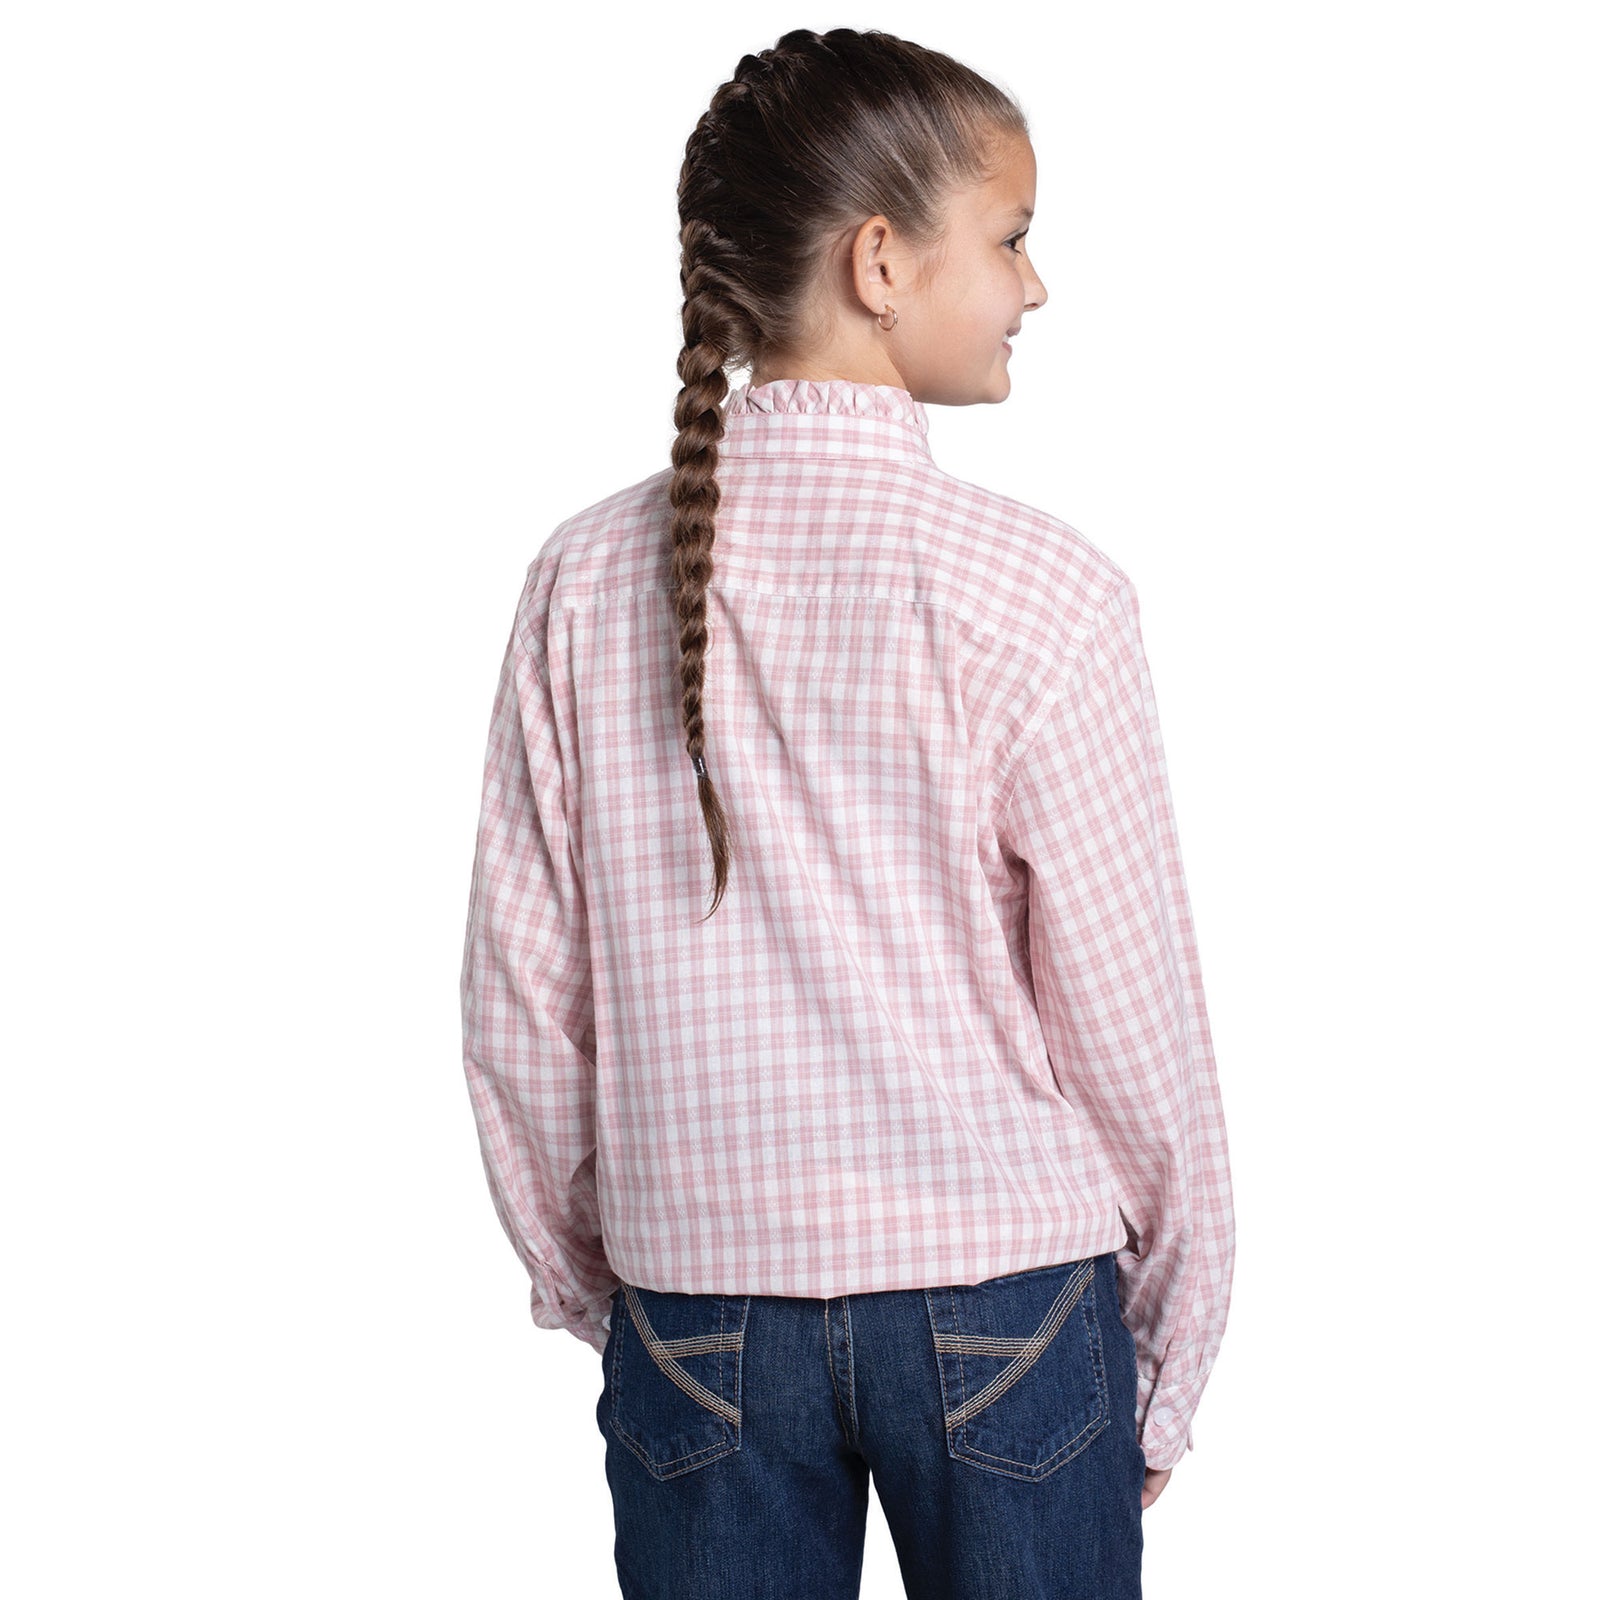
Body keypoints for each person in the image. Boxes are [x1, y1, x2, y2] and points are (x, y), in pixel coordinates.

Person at [458, 26, 1235, 1600]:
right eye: (1011, 238)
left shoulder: (578, 580)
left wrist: (625, 1294)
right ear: (881, 261)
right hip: (1007, 1305)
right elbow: (1128, 1023)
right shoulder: (1046, 593)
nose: (1036, 286)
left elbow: (525, 1012)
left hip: (700, 1307)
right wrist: (1171, 1338)